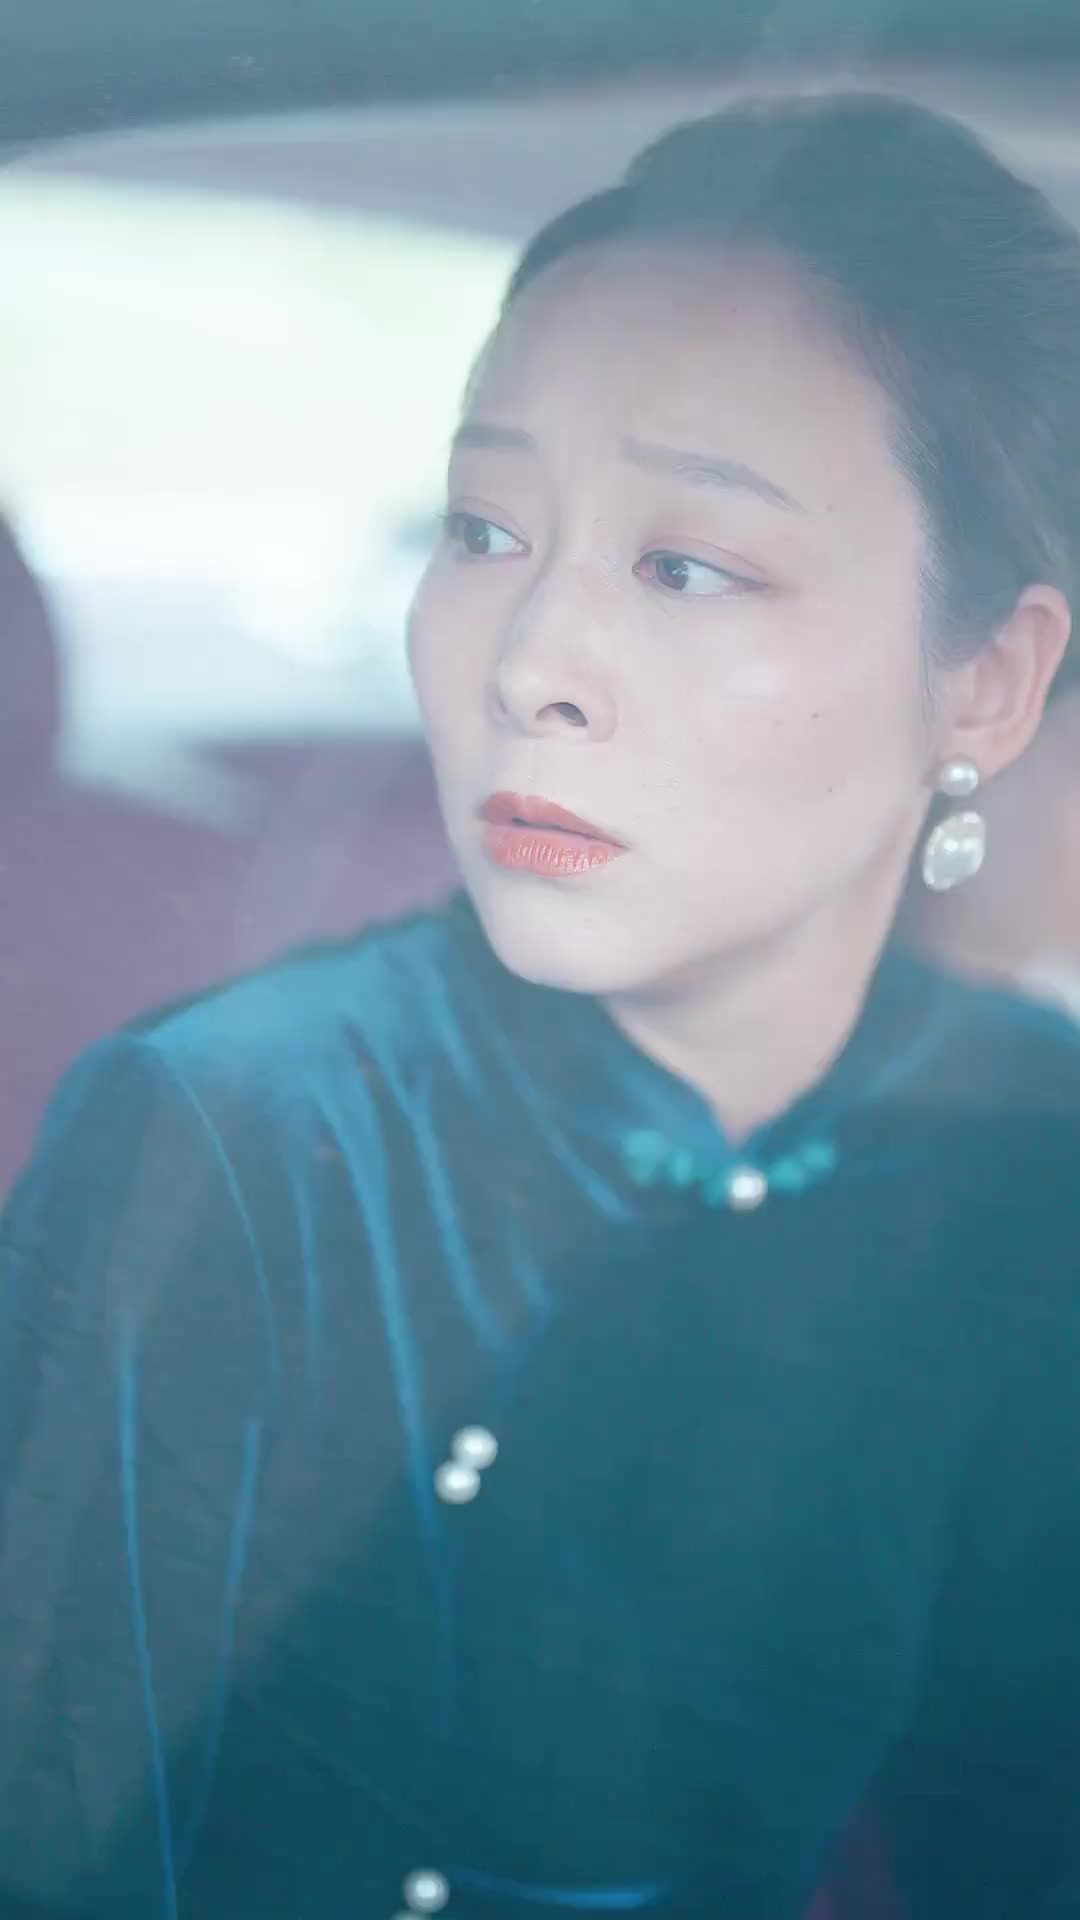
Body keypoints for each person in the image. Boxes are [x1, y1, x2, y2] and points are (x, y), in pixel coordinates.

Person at [2, 89, 1080, 1920]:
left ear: (984, 681)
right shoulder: (236, 1131)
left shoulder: (1022, 1155)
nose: (530, 663)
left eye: (686, 565)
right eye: (485, 529)